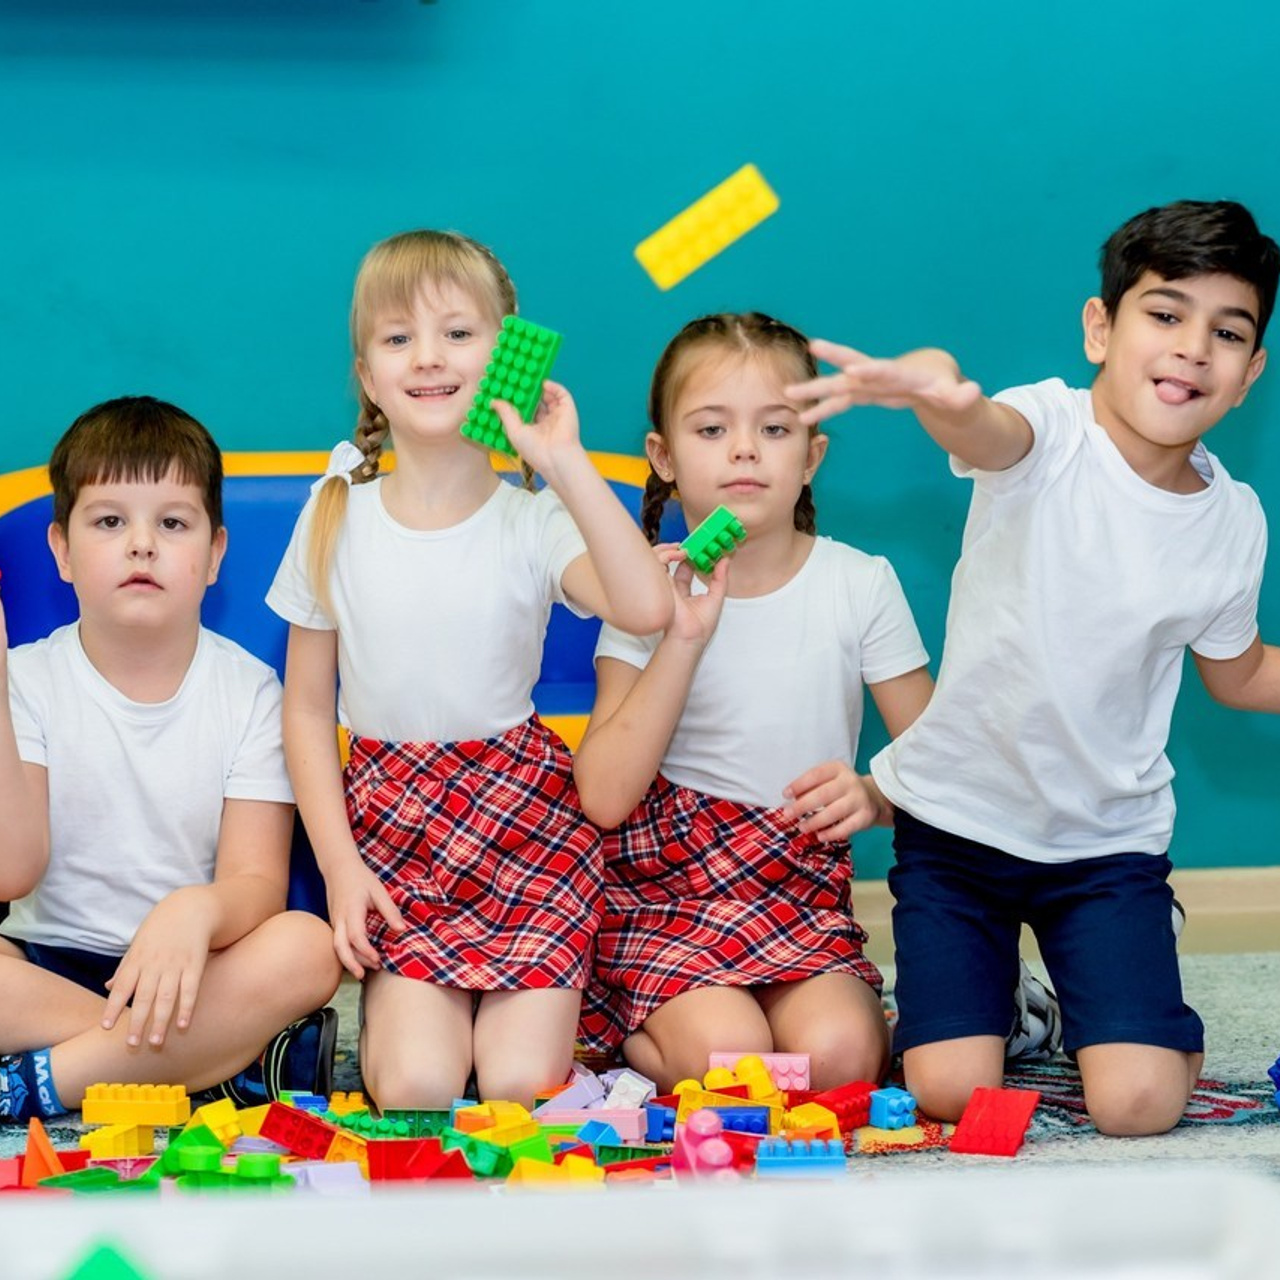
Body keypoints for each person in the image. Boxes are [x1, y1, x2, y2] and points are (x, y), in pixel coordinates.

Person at [791, 199, 1280, 1135]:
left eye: (1227, 333)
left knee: (1137, 1106)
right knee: (945, 1091)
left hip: (1104, 844)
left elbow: (1239, 672)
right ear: (1102, 328)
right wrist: (935, 389)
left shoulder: (1233, 519)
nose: (1191, 349)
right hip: (959, 831)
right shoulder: (1044, 431)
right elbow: (976, 425)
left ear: (1249, 373)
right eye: (1165, 315)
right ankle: (1021, 1004)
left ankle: (1127, 974)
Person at [268, 229, 672, 1110]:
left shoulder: (532, 519)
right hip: (397, 835)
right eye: (398, 338)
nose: (429, 358)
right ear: (369, 377)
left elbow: (646, 608)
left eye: (458, 333)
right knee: (418, 1085)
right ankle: (399, 1016)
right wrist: (340, 866)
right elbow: (305, 710)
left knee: (520, 1083)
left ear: (506, 361)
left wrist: (561, 461)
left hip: (522, 828)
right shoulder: (334, 515)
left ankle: (573, 993)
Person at [572, 312, 934, 1093]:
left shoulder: (858, 584)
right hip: (668, 897)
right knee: (728, 1062)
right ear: (663, 458)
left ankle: (986, 1006)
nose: (743, 449)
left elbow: (948, 771)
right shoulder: (643, 593)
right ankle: (623, 1033)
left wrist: (874, 794)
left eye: (775, 427)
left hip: (797, 891)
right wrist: (681, 635)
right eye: (711, 429)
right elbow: (601, 797)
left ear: (812, 456)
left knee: (840, 1062)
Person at [0, 396, 342, 1123]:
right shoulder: (26, 680)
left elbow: (256, 884)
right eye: (110, 521)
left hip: (195, 973)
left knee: (307, 947)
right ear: (61, 550)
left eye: (173, 523)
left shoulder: (250, 691)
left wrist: (195, 911)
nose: (142, 544)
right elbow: (10, 870)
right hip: (47, 963)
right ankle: (204, 1063)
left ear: (215, 555)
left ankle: (50, 1079)